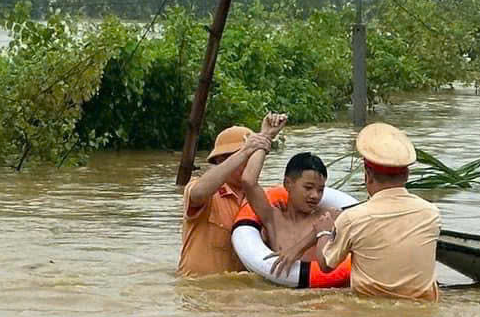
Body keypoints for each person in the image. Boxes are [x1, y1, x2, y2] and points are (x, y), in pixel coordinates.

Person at [309, 123, 441, 301]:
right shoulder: (431, 214)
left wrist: (323, 232)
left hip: (369, 311)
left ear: (368, 175)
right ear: (407, 175)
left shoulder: (353, 218)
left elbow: (326, 265)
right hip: (422, 315)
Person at [179, 112, 287, 277]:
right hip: (199, 294)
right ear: (221, 160)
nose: (250, 160)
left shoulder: (260, 200)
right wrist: (245, 150)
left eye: (253, 156)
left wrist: (265, 136)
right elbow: (199, 193)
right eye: (245, 156)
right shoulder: (205, 192)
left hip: (239, 296)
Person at [234, 152, 357, 288]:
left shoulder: (331, 216)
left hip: (320, 296)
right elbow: (248, 181)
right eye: (308, 188)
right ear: (288, 184)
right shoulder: (273, 218)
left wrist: (299, 247)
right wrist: (265, 138)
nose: (315, 195)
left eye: (321, 190)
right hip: (279, 297)